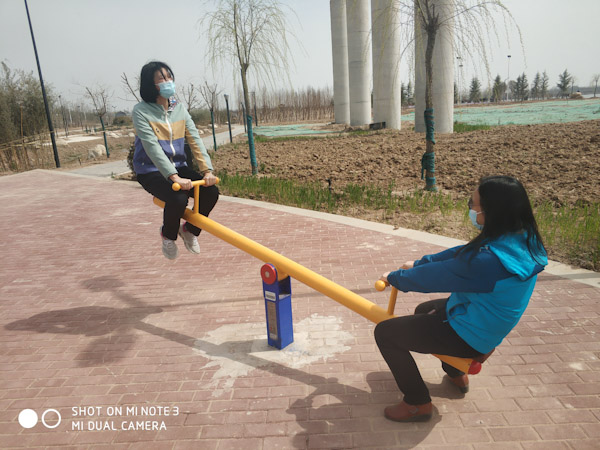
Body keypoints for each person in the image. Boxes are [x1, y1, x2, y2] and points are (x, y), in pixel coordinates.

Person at [375, 175, 547, 422]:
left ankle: (417, 403)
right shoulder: (522, 237)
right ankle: (456, 369)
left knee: (386, 333)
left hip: (473, 332)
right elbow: (462, 254)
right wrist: (422, 262)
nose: (470, 209)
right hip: (485, 321)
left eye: (473, 205)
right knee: (425, 309)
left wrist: (396, 277)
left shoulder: (489, 263)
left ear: (492, 211)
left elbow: (440, 276)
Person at [132, 61, 219, 260]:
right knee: (178, 197)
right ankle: (168, 235)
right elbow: (151, 147)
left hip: (179, 166)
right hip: (150, 171)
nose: (167, 82)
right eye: (161, 79)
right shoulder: (141, 111)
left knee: (211, 192)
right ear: (150, 85)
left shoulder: (178, 109)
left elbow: (195, 139)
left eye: (169, 77)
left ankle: (189, 230)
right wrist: (173, 177)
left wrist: (207, 170)